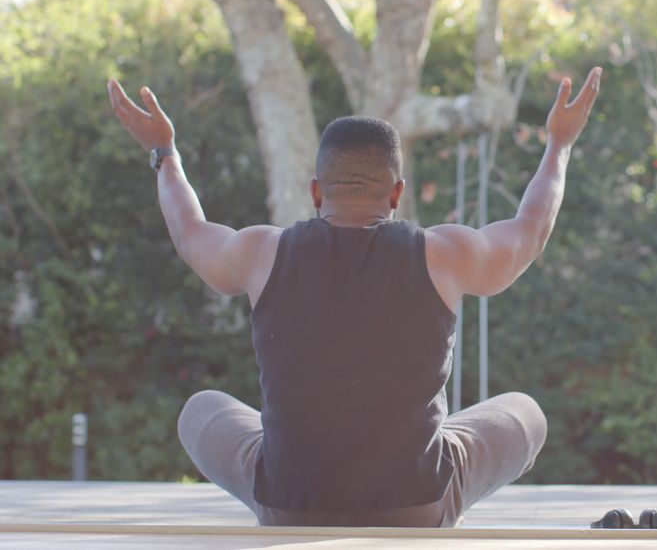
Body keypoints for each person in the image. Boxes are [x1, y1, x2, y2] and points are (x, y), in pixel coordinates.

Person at [106, 66, 602, 527]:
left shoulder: (261, 252)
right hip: (416, 508)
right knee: (526, 413)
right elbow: (528, 232)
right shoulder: (444, 253)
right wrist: (559, 145)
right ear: (397, 193)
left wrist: (164, 154)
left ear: (317, 192)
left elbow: (190, 232)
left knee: (201, 409)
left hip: (289, 507)